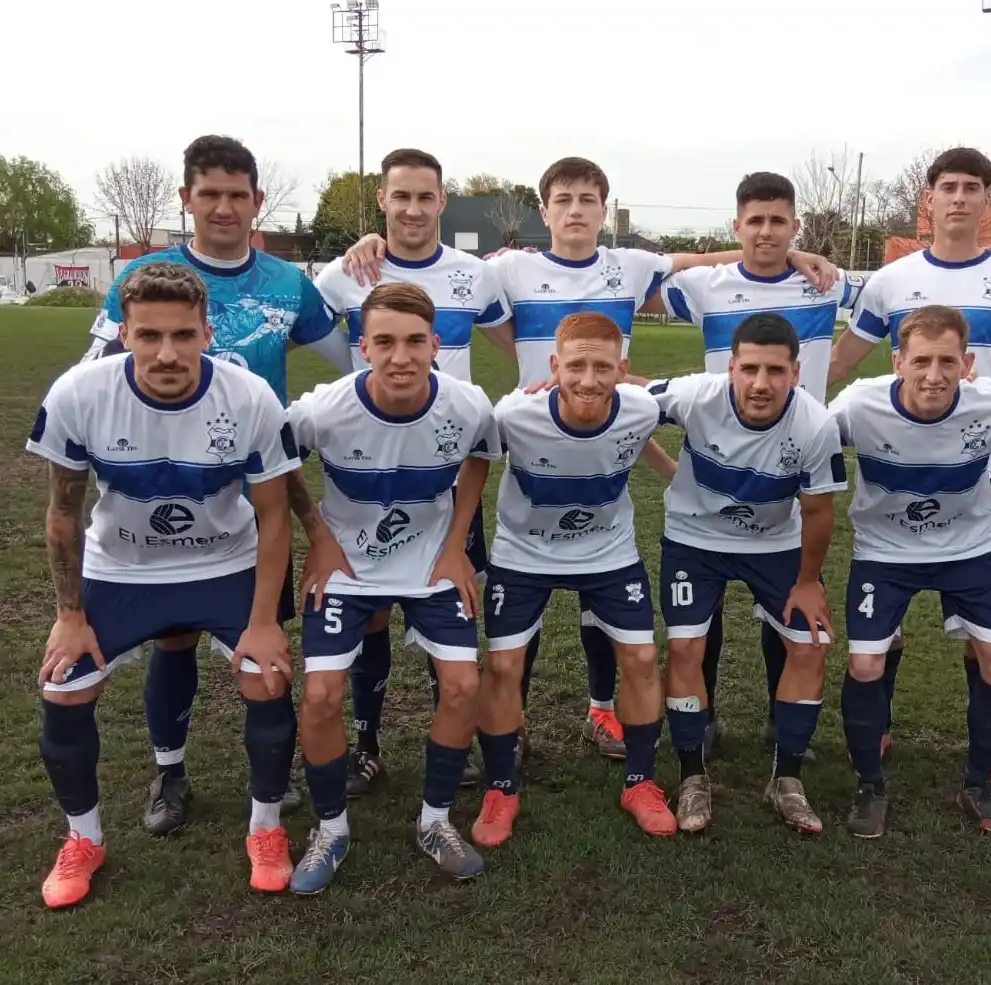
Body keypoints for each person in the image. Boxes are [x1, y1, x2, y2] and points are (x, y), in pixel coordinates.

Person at [341, 156, 837, 764]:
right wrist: (372, 240)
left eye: (588, 200)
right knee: (522, 595)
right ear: (543, 209)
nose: (576, 211)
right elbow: (440, 274)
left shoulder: (629, 265)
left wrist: (791, 258)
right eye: (563, 199)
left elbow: (694, 263)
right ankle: (510, 726)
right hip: (533, 442)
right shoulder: (507, 269)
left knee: (602, 592)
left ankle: (602, 710)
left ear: (604, 210)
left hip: (605, 438)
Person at [81, 135, 341, 833]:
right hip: (160, 482)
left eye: (237, 195)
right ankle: (170, 773)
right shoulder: (146, 276)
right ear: (186, 199)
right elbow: (98, 371)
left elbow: (351, 359)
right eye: (209, 194)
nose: (223, 208)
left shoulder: (288, 284)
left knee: (263, 637)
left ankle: (271, 768)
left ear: (257, 201)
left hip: (256, 488)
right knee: (172, 639)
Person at [27, 263, 303, 908]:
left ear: (207, 334)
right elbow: (63, 512)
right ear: (123, 333)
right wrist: (70, 614)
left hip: (223, 566)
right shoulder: (79, 393)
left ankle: (265, 829)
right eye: (149, 336)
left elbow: (272, 515)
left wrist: (265, 620)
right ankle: (83, 840)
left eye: (183, 336)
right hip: (121, 570)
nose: (167, 353)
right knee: (62, 690)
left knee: (268, 676)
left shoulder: (249, 396)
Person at [826, 146, 991, 780]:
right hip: (901, 458)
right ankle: (879, 726)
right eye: (947, 187)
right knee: (885, 619)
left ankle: (986, 734)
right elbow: (843, 360)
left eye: (972, 187)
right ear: (927, 199)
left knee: (983, 616)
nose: (959, 197)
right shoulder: (891, 281)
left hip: (985, 473)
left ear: (988, 200)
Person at [312, 148, 515, 797]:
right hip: (369, 468)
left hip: (448, 474)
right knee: (368, 614)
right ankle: (367, 742)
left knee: (453, 597)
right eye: (400, 196)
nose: (412, 208)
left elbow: (524, 340)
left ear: (441, 202)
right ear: (381, 200)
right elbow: (307, 343)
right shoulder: (346, 274)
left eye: (424, 197)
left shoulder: (474, 276)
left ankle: (450, 733)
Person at [284, 283, 500, 889]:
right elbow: (277, 461)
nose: (400, 356)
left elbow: (481, 456)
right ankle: (330, 827)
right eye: (384, 342)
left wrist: (457, 543)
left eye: (413, 342)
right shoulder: (324, 408)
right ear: (363, 347)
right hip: (347, 568)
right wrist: (317, 535)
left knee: (463, 686)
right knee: (322, 696)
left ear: (435, 344)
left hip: (432, 564)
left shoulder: (467, 404)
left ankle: (434, 821)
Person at [654, 170, 864, 753]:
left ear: (796, 224)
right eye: (755, 222)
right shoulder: (707, 285)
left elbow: (890, 306)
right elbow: (636, 281)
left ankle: (783, 715)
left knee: (795, 592)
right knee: (704, 606)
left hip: (796, 452)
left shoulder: (827, 282)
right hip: (721, 445)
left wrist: (838, 370)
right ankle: (707, 715)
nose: (767, 232)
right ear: (737, 226)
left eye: (779, 222)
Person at [830, 305, 991, 839]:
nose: (934, 374)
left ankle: (977, 785)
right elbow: (810, 447)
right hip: (885, 550)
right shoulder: (859, 405)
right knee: (867, 664)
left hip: (970, 549)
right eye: (921, 360)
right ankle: (869, 786)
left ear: (968, 363)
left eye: (948, 361)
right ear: (897, 361)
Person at [469, 311, 674, 846]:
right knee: (503, 665)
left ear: (623, 369)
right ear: (554, 366)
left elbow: (643, 433)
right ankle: (500, 787)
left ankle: (640, 781)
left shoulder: (642, 408)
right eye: (576, 366)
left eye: (602, 367)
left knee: (643, 658)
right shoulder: (515, 413)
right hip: (524, 554)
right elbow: (473, 463)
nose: (588, 379)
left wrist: (677, 477)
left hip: (607, 552)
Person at [645, 312, 845, 834]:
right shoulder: (696, 396)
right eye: (750, 368)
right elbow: (634, 397)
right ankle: (692, 774)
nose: (761, 383)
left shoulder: (815, 424)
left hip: (775, 543)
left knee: (810, 643)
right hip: (695, 539)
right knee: (686, 647)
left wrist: (808, 582)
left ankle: (787, 779)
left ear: (796, 373)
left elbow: (820, 511)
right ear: (730, 367)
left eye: (775, 371)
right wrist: (573, 379)